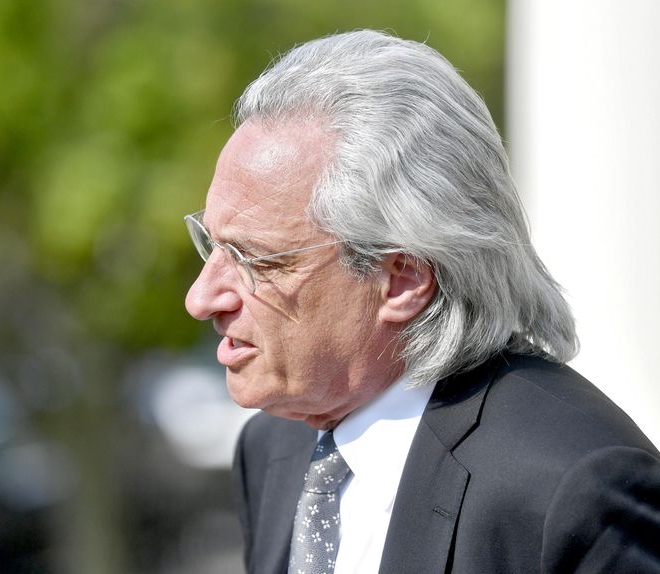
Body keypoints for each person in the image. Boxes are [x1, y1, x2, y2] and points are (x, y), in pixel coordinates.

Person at [183, 29, 660, 573]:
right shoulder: (274, 448)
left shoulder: (574, 490)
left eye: (259, 262)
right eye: (212, 243)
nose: (202, 298)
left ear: (404, 279)